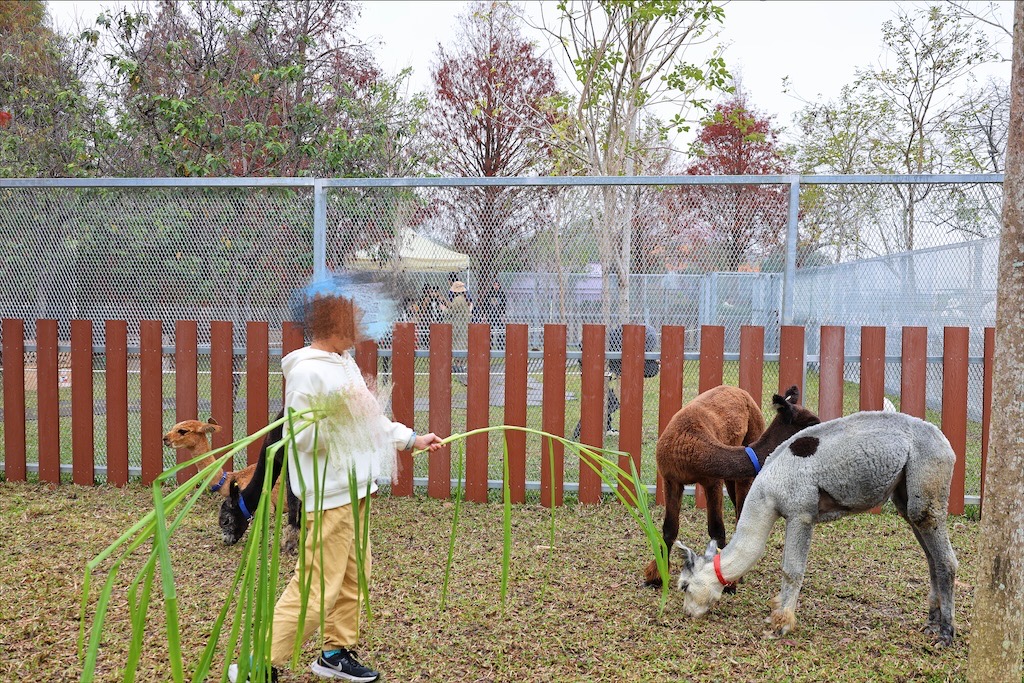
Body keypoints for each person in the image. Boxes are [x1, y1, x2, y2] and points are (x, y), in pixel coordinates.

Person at [229, 289, 443, 683]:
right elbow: (300, 437)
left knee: (353, 576)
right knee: (316, 585)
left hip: (357, 488)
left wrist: (411, 438)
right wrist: (336, 418)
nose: (360, 332)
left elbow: (369, 418)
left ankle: (333, 652)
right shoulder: (308, 371)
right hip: (328, 496)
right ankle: (257, 663)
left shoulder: (342, 363)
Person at [447, 280, 472, 372]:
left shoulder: (458, 299)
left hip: (458, 325)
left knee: (457, 344)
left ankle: (458, 365)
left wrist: (443, 309)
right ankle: (460, 364)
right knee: (462, 344)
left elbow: (450, 312)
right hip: (463, 324)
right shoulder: (464, 299)